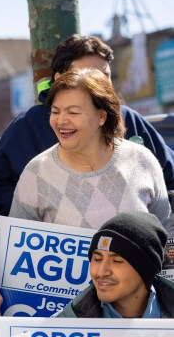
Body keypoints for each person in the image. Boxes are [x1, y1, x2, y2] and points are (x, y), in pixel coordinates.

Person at [0, 34, 174, 230]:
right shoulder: (29, 136)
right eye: (89, 75)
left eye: (105, 76)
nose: (100, 85)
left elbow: (166, 192)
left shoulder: (137, 143)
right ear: (61, 79)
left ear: (102, 117)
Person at [10, 68, 174, 235]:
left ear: (102, 116)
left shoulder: (142, 160)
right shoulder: (36, 172)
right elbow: (15, 246)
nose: (61, 120)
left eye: (73, 112)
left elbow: (167, 230)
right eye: (55, 111)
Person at [56, 212, 174, 318]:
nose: (101, 272)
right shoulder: (63, 327)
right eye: (97, 259)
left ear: (146, 270)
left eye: (117, 261)